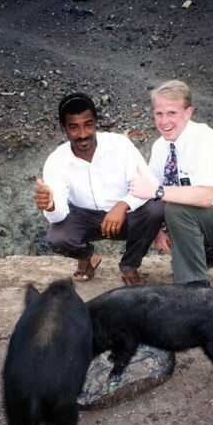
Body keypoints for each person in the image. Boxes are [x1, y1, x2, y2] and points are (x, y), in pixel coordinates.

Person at [34, 92, 164, 285]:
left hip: (125, 216)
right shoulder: (56, 161)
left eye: (88, 124)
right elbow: (59, 215)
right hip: (84, 217)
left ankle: (129, 266)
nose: (83, 134)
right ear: (64, 130)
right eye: (73, 127)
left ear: (95, 123)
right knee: (58, 238)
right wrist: (51, 205)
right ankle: (87, 257)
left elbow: (149, 183)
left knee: (155, 210)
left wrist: (123, 205)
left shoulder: (119, 145)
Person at [130, 79, 213, 287]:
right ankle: (206, 254)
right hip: (198, 217)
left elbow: (204, 197)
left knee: (177, 210)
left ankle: (194, 287)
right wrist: (158, 228)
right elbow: (152, 192)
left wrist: (156, 191)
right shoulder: (160, 146)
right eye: (159, 113)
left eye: (172, 113)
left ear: (188, 112)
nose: (164, 121)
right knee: (168, 208)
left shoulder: (206, 139)